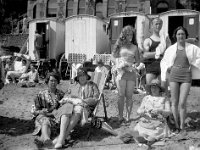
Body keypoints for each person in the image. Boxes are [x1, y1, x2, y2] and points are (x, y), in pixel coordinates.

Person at [53, 68, 117, 148]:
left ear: (87, 77)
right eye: (80, 76)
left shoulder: (92, 85)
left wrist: (82, 101)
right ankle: (62, 137)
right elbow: (66, 96)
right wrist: (73, 100)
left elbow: (95, 99)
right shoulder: (73, 86)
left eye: (84, 75)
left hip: (86, 109)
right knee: (67, 110)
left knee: (79, 108)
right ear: (78, 78)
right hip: (72, 108)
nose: (82, 77)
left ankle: (61, 138)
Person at [160, 26, 200, 132]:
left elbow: (199, 57)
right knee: (174, 102)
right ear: (175, 36)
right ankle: (176, 125)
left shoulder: (192, 48)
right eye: (178, 34)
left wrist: (195, 64)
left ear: (186, 35)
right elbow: (164, 61)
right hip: (173, 75)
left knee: (182, 102)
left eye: (182, 34)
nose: (180, 36)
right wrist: (167, 67)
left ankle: (182, 126)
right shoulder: (171, 49)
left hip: (186, 75)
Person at [31, 72, 74, 147]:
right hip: (42, 117)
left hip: (55, 118)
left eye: (55, 81)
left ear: (58, 82)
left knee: (48, 123)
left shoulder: (61, 94)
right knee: (45, 120)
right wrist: (41, 112)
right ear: (47, 81)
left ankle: (43, 140)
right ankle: (47, 139)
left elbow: (64, 109)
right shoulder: (41, 94)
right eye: (51, 81)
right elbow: (34, 111)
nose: (53, 83)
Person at [112, 25, 140, 122]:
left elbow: (138, 61)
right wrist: (119, 63)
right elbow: (113, 57)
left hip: (131, 73)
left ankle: (128, 116)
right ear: (124, 35)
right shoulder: (119, 45)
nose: (130, 37)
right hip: (121, 73)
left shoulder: (135, 47)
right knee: (121, 95)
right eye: (128, 34)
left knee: (129, 95)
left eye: (131, 35)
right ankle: (120, 116)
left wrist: (134, 66)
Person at [143, 17, 171, 88]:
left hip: (163, 69)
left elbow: (170, 53)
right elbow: (145, 55)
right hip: (151, 69)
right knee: (150, 91)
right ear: (152, 25)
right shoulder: (148, 40)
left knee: (163, 92)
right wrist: (159, 53)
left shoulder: (165, 40)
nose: (158, 26)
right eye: (156, 24)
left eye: (160, 24)